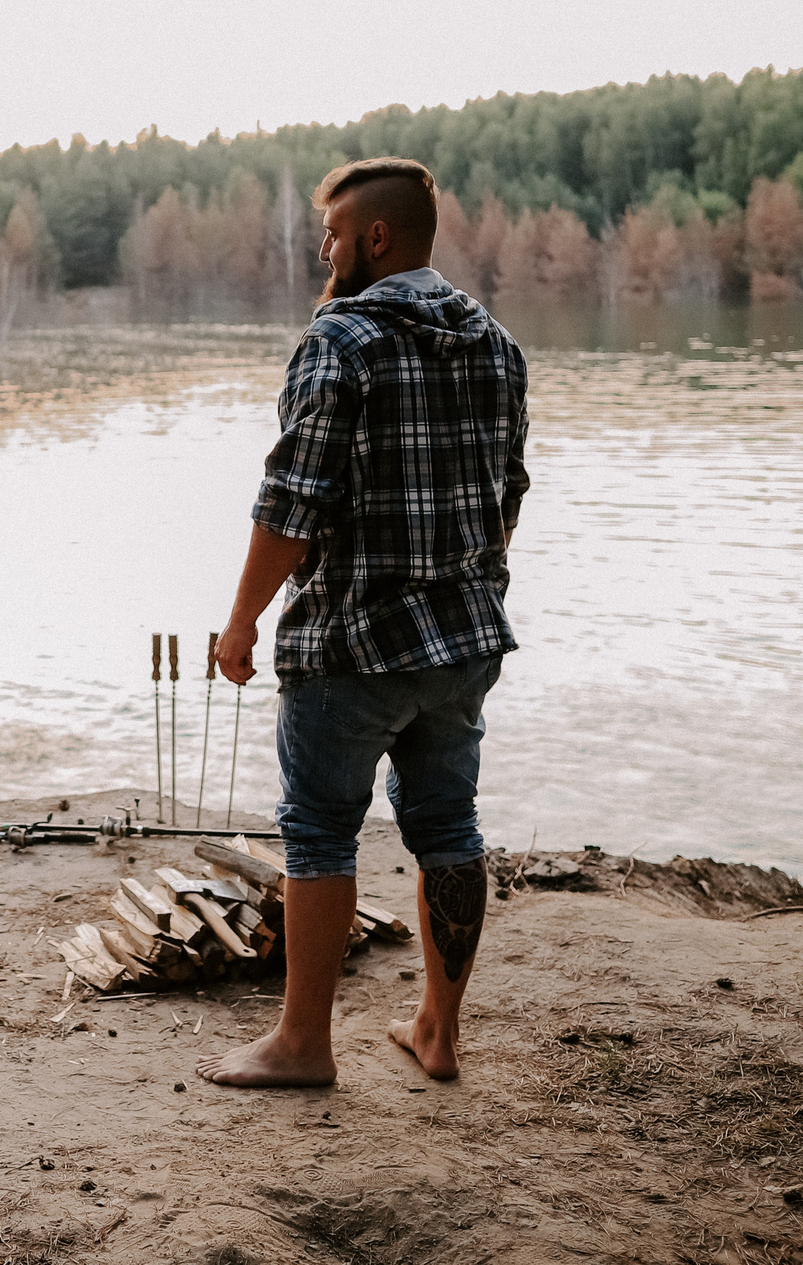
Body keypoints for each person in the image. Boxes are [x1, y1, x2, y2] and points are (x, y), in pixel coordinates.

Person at [197, 157, 528, 1089]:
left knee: (316, 831)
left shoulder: (339, 343)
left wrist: (239, 624)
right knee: (447, 824)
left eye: (334, 235)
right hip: (464, 642)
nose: (325, 251)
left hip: (352, 645)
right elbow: (508, 497)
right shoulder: (497, 344)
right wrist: (469, 588)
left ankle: (303, 1046)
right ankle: (438, 1034)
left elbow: (290, 505)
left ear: (375, 238)